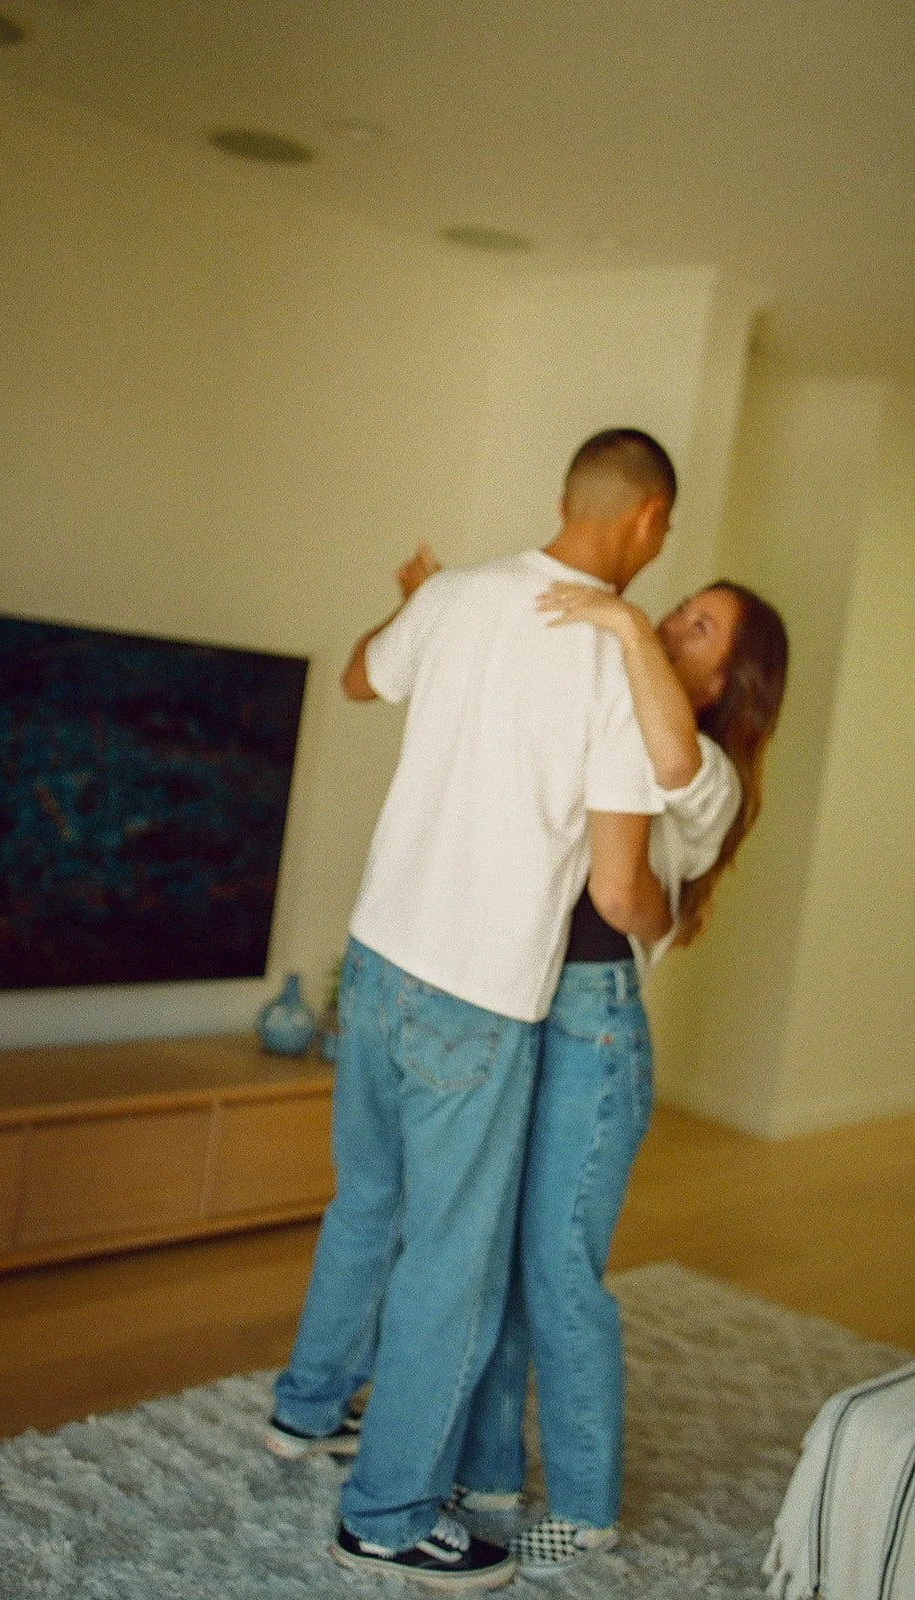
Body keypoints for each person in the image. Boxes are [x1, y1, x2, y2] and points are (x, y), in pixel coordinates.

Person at [264, 429, 678, 1591]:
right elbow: (611, 885)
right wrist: (659, 924)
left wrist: (411, 614)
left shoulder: (453, 596)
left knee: (367, 1204)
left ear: (569, 497)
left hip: (375, 957)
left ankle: (303, 1415)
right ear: (646, 520)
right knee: (456, 1266)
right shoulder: (614, 659)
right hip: (476, 992)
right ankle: (386, 1516)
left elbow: (359, 676)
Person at [449, 575, 789, 1578]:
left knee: (558, 1271)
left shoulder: (711, 769)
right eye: (678, 606)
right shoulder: (611, 713)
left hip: (595, 1033)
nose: (669, 626)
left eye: (695, 627)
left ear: (730, 679)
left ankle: (590, 1506)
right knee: (503, 1257)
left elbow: (635, 874)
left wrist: (620, 618)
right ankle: (490, 1473)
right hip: (528, 1004)